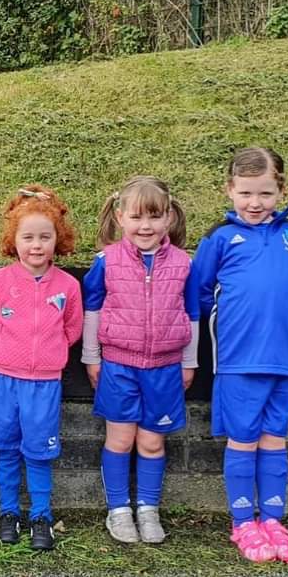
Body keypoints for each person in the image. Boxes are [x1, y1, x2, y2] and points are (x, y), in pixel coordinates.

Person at [190, 147, 288, 563]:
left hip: (285, 360)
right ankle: (243, 523)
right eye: (245, 193)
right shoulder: (220, 238)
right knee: (243, 441)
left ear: (280, 190)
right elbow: (199, 291)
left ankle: (274, 519)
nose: (254, 203)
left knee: (275, 440)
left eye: (265, 194)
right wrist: (234, 319)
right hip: (238, 360)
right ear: (230, 189)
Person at [82, 176, 199, 545]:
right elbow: (92, 310)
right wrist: (91, 357)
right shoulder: (107, 261)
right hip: (119, 366)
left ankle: (148, 508)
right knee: (120, 440)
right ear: (120, 217)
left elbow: (192, 312)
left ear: (168, 218)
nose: (145, 226)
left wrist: (189, 361)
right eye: (136, 217)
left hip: (165, 369)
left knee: (151, 443)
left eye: (154, 217)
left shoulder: (184, 264)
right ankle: (118, 510)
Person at [0, 185, 83, 552]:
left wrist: (48, 353)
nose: (36, 245)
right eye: (28, 237)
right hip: (3, 381)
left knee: (38, 452)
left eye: (45, 237)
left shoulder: (68, 286)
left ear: (58, 240)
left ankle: (41, 516)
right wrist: (5, 351)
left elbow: (72, 329)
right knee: (6, 450)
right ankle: (9, 513)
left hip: (43, 384)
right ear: (14, 240)